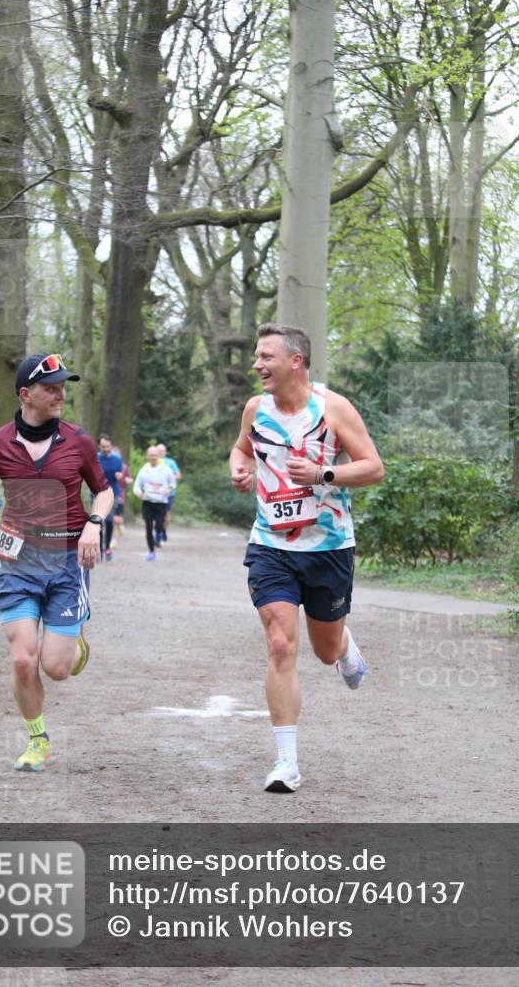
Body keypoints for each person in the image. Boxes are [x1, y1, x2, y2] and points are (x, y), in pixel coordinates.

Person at [229, 324, 384, 793]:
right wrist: (240, 468)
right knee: (280, 645)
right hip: (271, 545)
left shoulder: (332, 408)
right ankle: (286, 762)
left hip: (328, 547)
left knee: (322, 650)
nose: (257, 365)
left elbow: (373, 467)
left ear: (295, 361)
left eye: (266, 357)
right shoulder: (256, 409)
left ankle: (342, 644)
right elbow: (241, 449)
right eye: (257, 356)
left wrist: (324, 472)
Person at [0, 353, 114, 773]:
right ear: (26, 394)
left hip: (66, 564)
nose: (60, 393)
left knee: (56, 669)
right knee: (23, 660)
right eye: (51, 388)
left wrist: (93, 525)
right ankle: (37, 739)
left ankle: (74, 642)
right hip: (17, 563)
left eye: (63, 386)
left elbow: (103, 491)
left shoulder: (77, 440)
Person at [134, 446, 175, 561]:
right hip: (147, 502)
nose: (153, 457)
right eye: (151, 455)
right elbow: (137, 485)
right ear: (147, 456)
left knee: (159, 525)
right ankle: (151, 551)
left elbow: (172, 483)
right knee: (148, 527)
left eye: (155, 455)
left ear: (159, 456)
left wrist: (169, 490)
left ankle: (159, 534)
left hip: (161, 502)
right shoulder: (144, 470)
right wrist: (137, 492)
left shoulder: (166, 469)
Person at [96, 434, 124, 561]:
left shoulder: (117, 459)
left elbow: (120, 473)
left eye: (108, 446)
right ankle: (100, 549)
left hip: (113, 492)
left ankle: (107, 547)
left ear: (111, 446)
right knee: (99, 521)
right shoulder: (95, 458)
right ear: (99, 446)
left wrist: (119, 475)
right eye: (103, 447)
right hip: (97, 492)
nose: (106, 449)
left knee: (109, 520)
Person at [156, 442, 181, 542]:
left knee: (166, 516)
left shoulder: (171, 462)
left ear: (165, 452)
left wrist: (169, 479)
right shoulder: (153, 461)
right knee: (156, 515)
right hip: (155, 493)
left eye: (162, 451)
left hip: (168, 493)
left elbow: (178, 475)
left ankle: (163, 530)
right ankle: (157, 534)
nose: (160, 452)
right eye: (159, 451)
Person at [112, 452, 132, 537]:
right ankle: (111, 539)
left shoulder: (124, 467)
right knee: (110, 518)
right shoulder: (107, 465)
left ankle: (119, 526)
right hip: (108, 495)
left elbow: (129, 478)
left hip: (120, 495)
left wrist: (128, 480)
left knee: (117, 518)